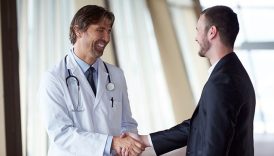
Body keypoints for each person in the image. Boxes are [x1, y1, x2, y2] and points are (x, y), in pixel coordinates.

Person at [127, 5, 256, 156]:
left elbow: (214, 149)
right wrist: (145, 140)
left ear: (212, 32)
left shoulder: (221, 82)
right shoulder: (233, 72)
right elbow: (200, 125)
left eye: (198, 29)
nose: (195, 37)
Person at [39, 5, 145, 156]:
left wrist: (131, 144)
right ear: (78, 31)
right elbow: (61, 134)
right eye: (100, 30)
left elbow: (127, 122)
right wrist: (113, 142)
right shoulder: (53, 78)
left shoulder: (116, 74)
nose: (107, 38)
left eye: (108, 31)